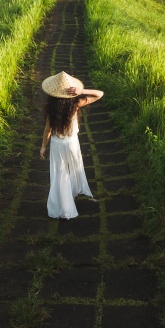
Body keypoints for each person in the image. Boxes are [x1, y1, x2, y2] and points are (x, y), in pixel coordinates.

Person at [39, 71, 103, 219]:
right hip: (72, 142)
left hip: (57, 144)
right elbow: (99, 94)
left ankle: (64, 207)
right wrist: (82, 91)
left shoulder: (50, 107)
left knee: (60, 174)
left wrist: (43, 147)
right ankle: (73, 193)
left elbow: (47, 129)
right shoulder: (75, 103)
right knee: (74, 168)